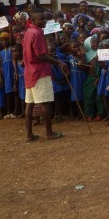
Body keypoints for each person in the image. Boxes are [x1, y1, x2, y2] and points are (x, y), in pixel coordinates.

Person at [23, 9, 68, 142]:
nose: (43, 21)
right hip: (39, 72)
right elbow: (41, 55)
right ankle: (49, 132)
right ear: (32, 20)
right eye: (40, 19)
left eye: (44, 19)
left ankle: (29, 135)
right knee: (46, 103)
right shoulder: (36, 33)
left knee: (29, 104)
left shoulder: (28, 32)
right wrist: (58, 62)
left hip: (29, 72)